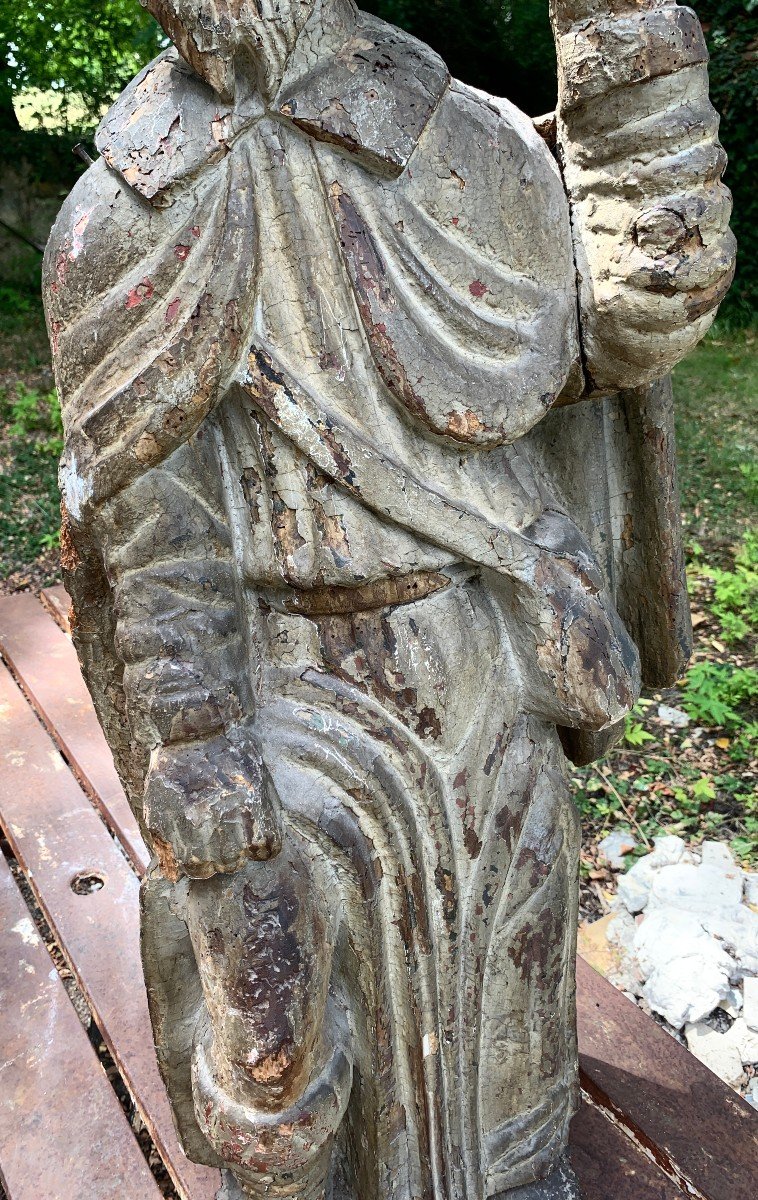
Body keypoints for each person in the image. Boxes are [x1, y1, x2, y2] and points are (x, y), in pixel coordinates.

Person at [44, 1, 734, 1195]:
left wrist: (631, 56)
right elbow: (150, 519)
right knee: (273, 1073)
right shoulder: (120, 218)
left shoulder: (450, 145)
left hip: (474, 666)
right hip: (274, 700)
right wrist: (199, 741)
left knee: (501, 1016)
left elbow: (622, 320)